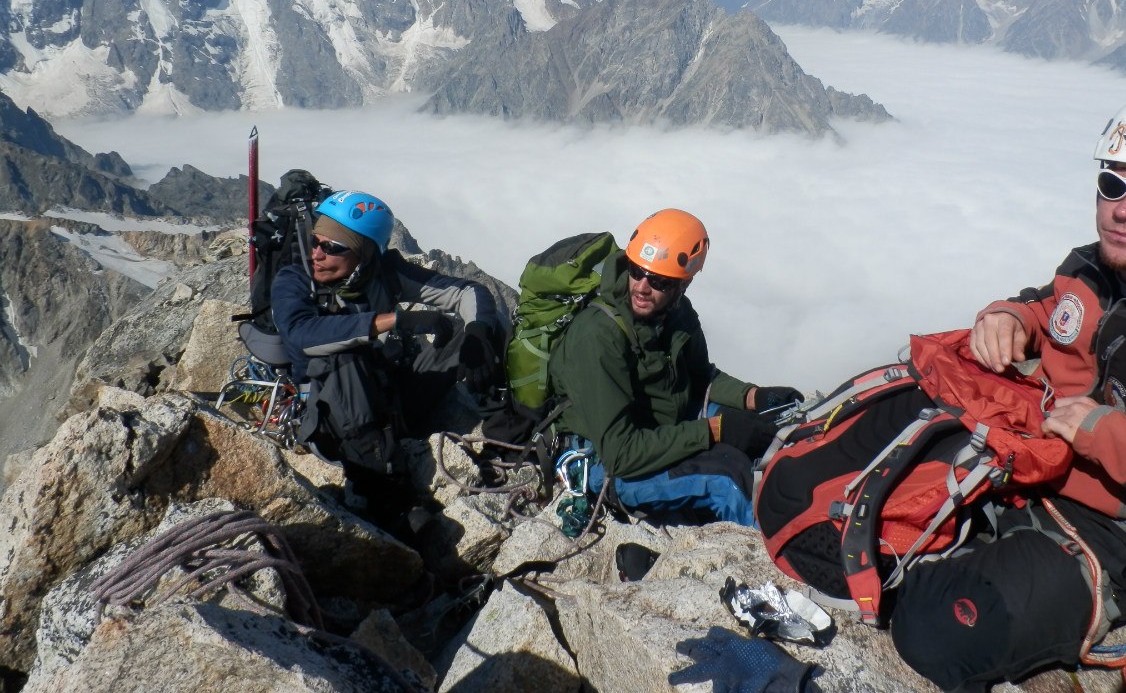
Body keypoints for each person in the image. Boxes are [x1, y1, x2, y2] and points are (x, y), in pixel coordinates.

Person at [884, 88, 1126, 690]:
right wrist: (1013, 315)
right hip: (1025, 465)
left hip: (1124, 535)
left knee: (938, 631)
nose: (1124, 210)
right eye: (1114, 186)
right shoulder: (1098, 268)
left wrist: (1105, 435)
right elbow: (1054, 306)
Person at [547, 208, 803, 527]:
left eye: (658, 280)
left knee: (768, 428)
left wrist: (754, 397)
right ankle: (789, 554)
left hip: (657, 423)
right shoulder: (598, 336)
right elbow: (620, 453)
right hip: (606, 461)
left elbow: (699, 378)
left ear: (684, 282)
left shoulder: (675, 311)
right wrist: (712, 431)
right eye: (636, 271)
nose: (642, 286)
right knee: (728, 477)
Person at [271, 189, 504, 516]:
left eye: (332, 247)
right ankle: (381, 483)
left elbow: (467, 291)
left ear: (364, 253)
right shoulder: (293, 281)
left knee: (480, 328)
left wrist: (479, 333)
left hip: (393, 398)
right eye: (314, 241)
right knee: (343, 357)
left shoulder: (385, 272)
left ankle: (502, 425)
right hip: (334, 423)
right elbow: (301, 336)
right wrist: (392, 320)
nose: (317, 254)